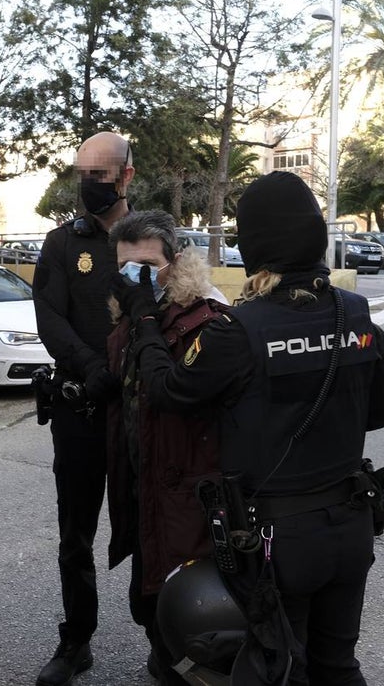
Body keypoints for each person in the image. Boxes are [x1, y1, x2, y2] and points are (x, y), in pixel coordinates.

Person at [114, 171, 384, 685]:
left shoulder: (238, 331)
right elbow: (380, 413)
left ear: (254, 246)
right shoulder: (356, 314)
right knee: (338, 666)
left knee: (278, 668)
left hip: (277, 542)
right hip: (352, 525)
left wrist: (145, 320)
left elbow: (167, 390)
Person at [104, 210, 232, 683]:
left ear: (174, 262)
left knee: (190, 610)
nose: (136, 279)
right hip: (142, 491)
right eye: (125, 269)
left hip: (189, 496)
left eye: (147, 266)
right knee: (147, 600)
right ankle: (165, 664)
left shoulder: (206, 320)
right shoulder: (127, 327)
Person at [32, 130, 133, 686]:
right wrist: (93, 369)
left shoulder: (152, 239)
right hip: (81, 410)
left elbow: (176, 311)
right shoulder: (61, 244)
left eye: (101, 175)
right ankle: (77, 641)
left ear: (126, 177)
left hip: (141, 411)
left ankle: (167, 639)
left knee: (151, 525)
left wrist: (123, 370)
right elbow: (50, 316)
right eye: (83, 175)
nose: (90, 186)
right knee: (76, 534)